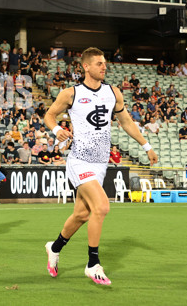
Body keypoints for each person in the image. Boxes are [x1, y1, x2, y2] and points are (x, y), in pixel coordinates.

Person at [43, 47, 158, 286]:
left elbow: (125, 121)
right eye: (99, 63)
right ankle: (93, 263)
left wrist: (146, 146)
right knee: (102, 206)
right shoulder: (70, 93)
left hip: (100, 163)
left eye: (105, 63)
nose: (104, 67)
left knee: (82, 214)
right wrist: (57, 131)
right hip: (79, 160)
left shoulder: (112, 92)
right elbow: (49, 115)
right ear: (86, 67)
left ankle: (54, 249)